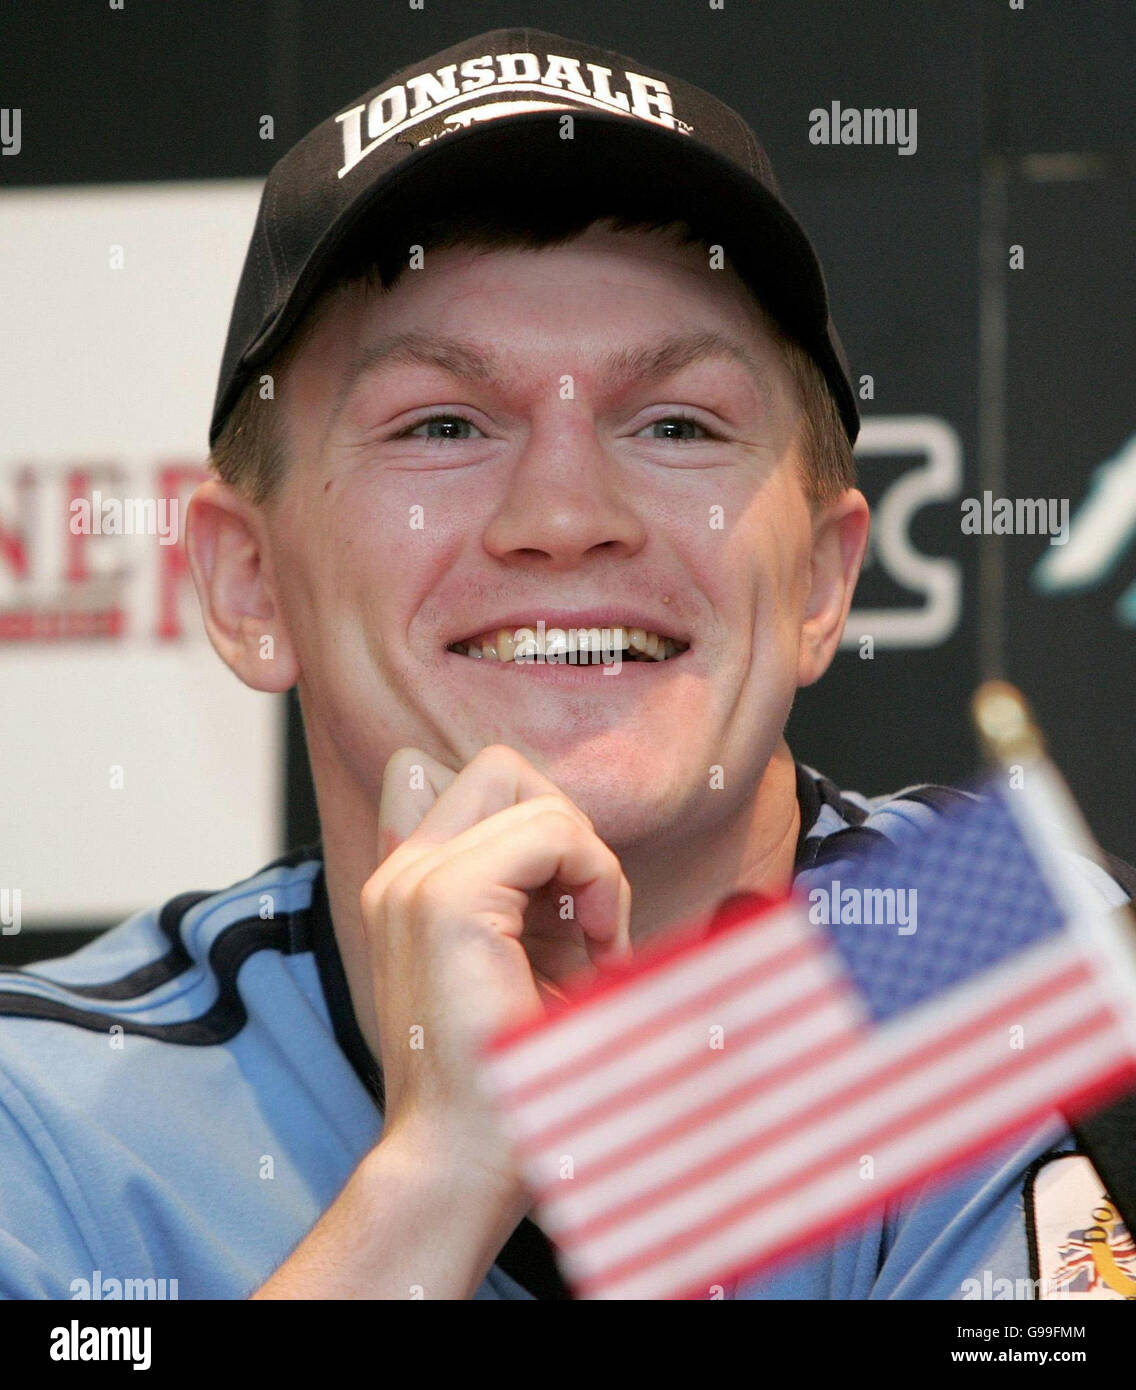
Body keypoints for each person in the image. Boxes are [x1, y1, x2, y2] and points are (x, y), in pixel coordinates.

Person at [1, 28, 1131, 1302]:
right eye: (439, 422)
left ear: (820, 580)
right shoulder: (46, 1122)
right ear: (249, 582)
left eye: (674, 422)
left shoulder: (1038, 976)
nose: (562, 507)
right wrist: (435, 1182)